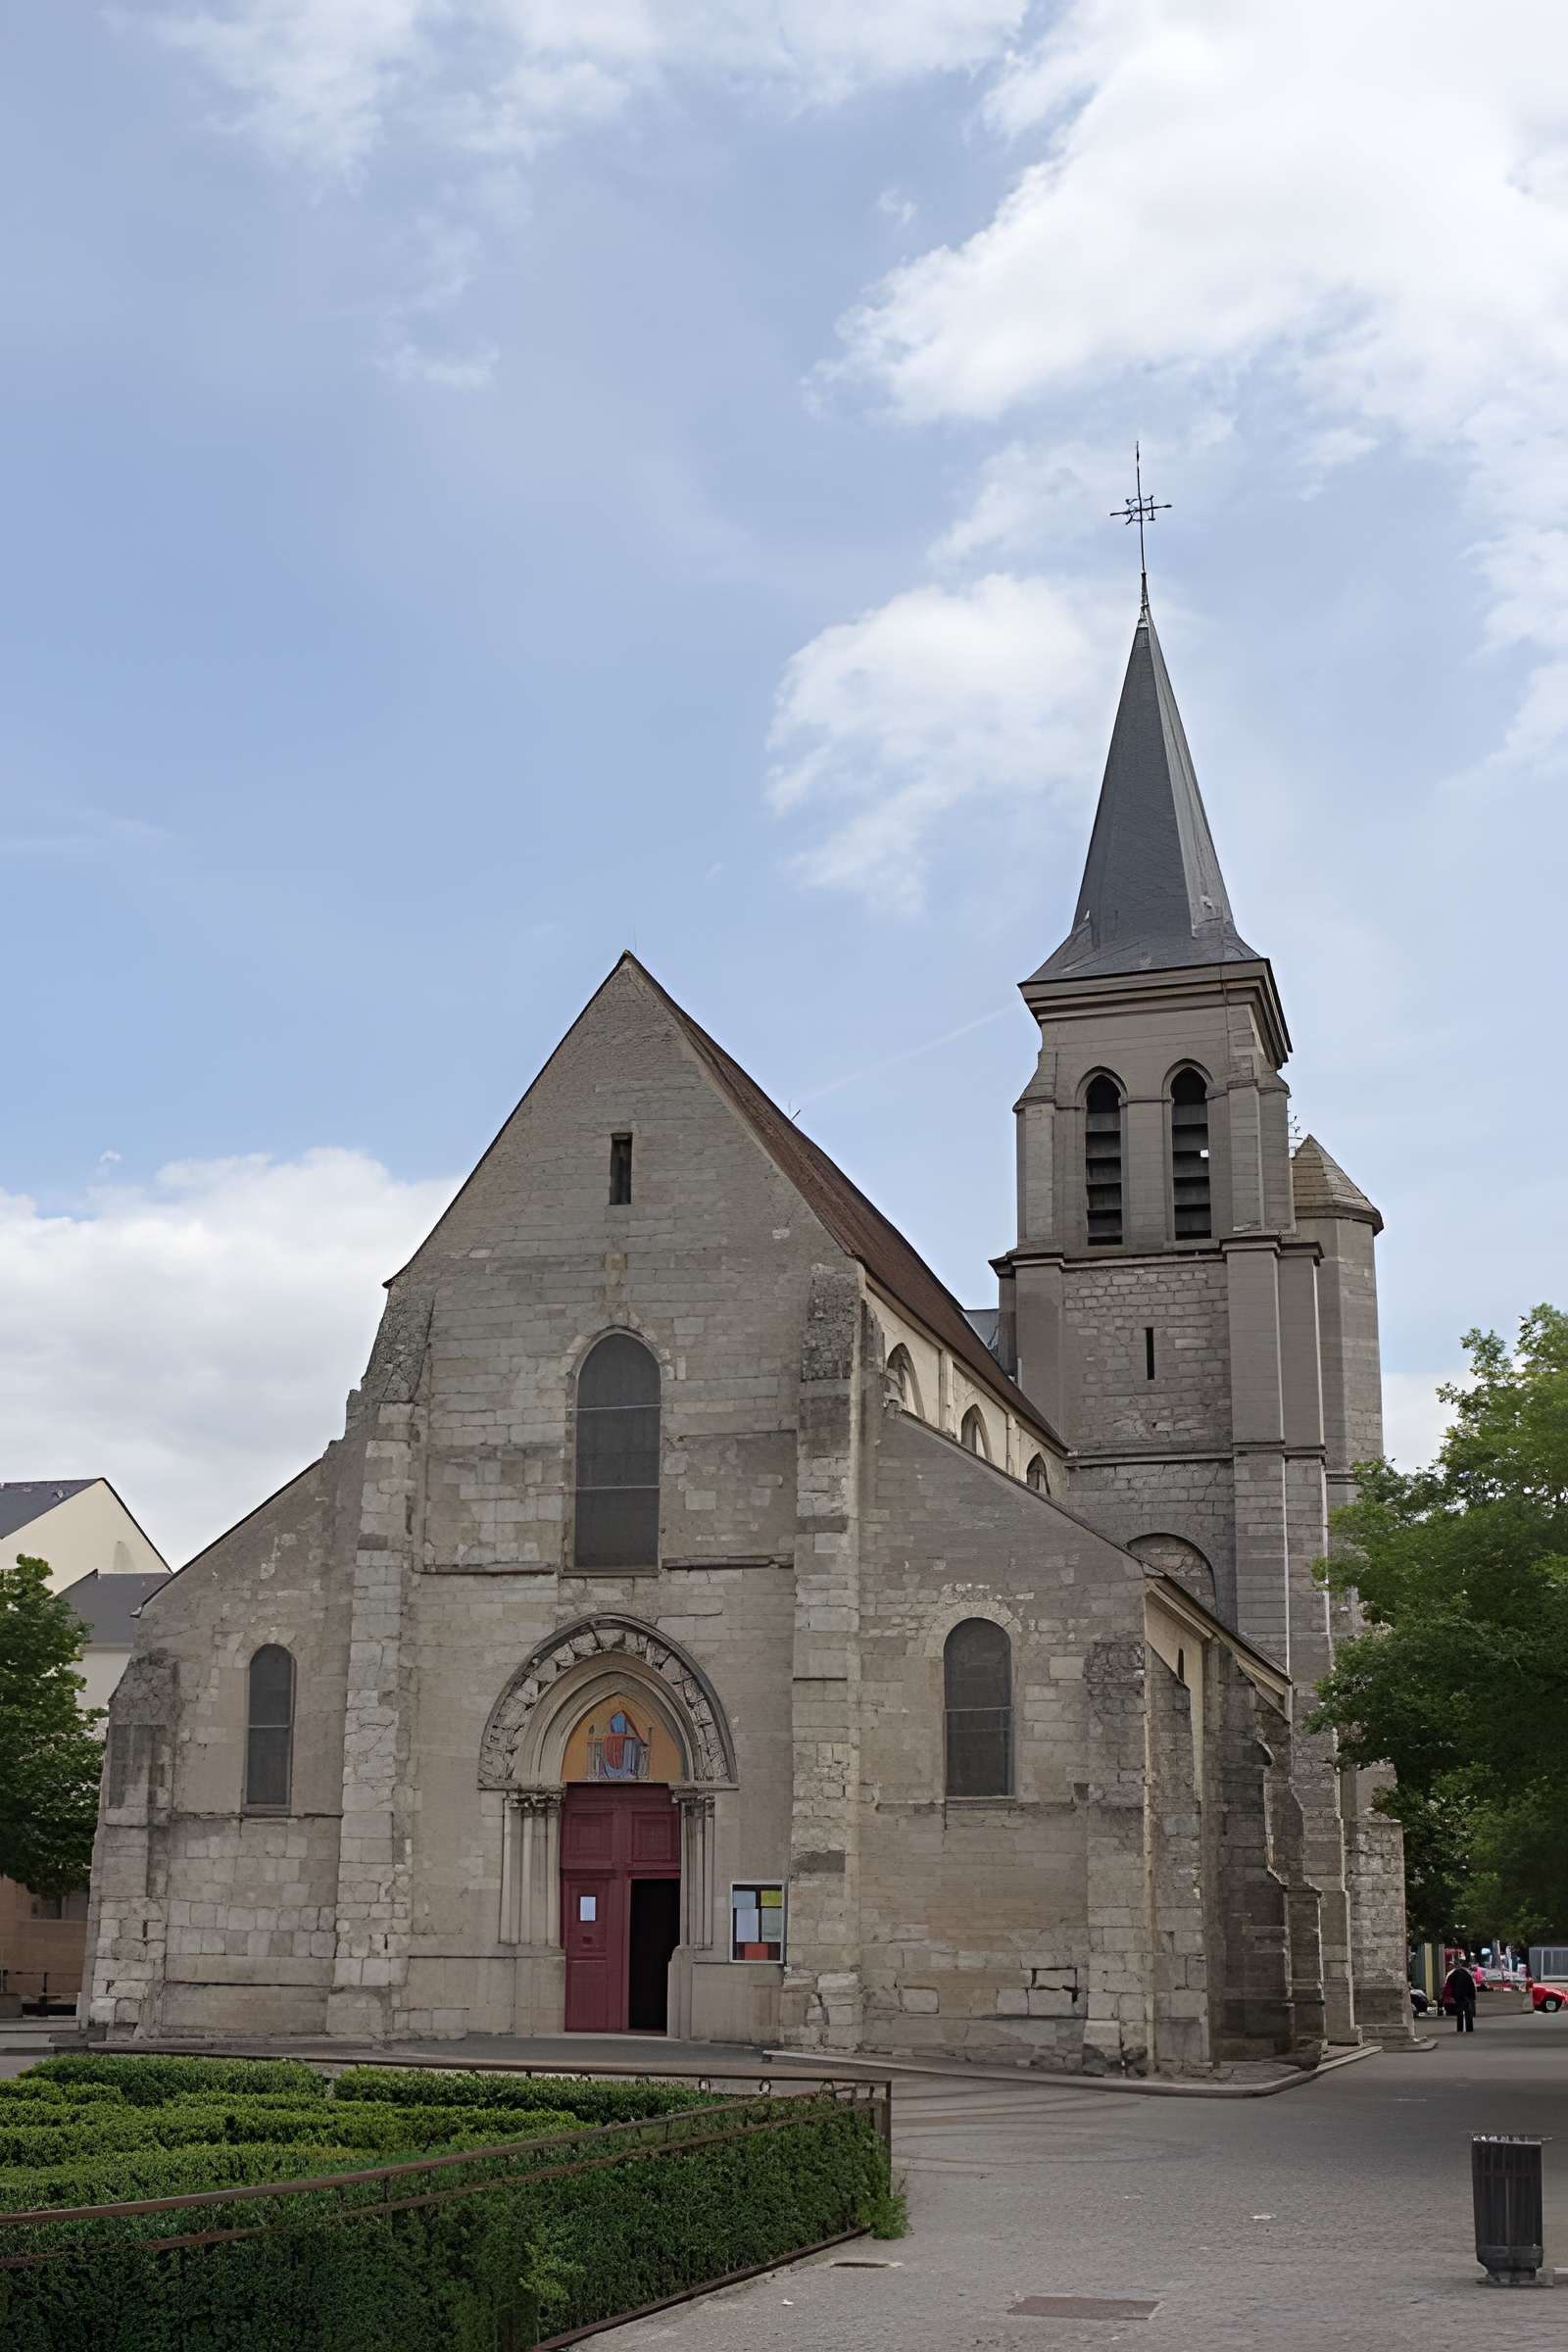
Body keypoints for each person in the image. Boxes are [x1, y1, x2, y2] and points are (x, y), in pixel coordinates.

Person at [1445, 1957, 1478, 2034]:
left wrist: (1450, 1996)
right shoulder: (1467, 1974)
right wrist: (1472, 1997)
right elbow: (1471, 1985)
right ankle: (1469, 2028)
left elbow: (1448, 1986)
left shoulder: (1452, 1975)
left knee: (1459, 2012)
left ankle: (1460, 2028)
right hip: (1467, 1994)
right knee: (1468, 2012)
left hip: (1458, 1995)